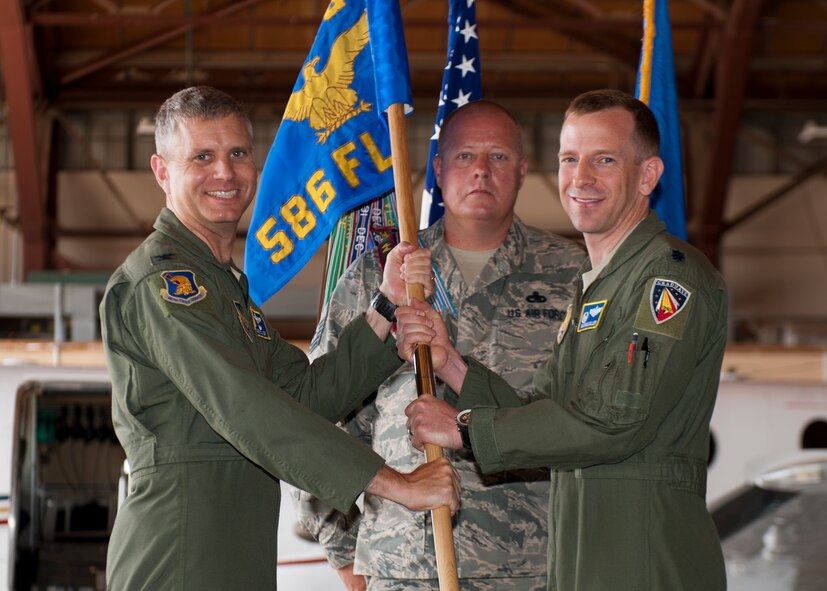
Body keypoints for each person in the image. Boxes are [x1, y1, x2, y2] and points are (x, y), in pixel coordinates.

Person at [99, 85, 460, 590]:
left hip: (233, 547)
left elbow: (304, 396)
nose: (225, 172)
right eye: (202, 156)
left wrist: (384, 308)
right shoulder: (164, 284)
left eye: (238, 154)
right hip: (181, 552)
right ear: (162, 171)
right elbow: (248, 408)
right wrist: (397, 485)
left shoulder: (222, 287)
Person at [400, 89, 728, 591]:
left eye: (604, 160)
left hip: (645, 561)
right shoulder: (593, 283)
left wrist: (464, 429)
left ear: (647, 175)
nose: (581, 179)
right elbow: (546, 411)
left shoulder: (668, 278)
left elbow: (613, 421)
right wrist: (452, 367)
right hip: (582, 560)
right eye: (570, 159)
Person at [291, 100, 584, 591]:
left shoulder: (571, 274)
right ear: (439, 169)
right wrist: (346, 555)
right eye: (466, 156)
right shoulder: (376, 276)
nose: (482, 172)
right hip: (404, 566)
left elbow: (581, 422)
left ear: (523, 171)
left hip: (534, 567)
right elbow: (316, 416)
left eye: (499, 157)